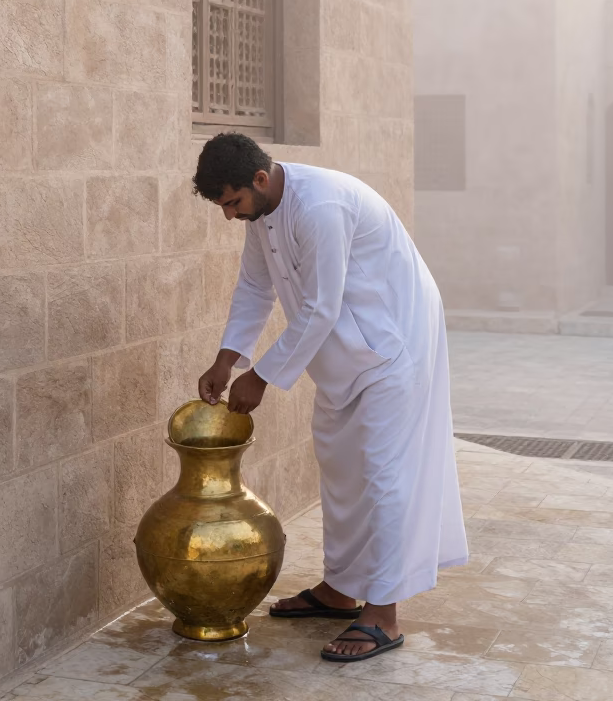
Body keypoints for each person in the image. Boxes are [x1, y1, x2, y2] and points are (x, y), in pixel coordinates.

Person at [194, 133, 468, 663]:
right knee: (339, 464)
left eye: (232, 203)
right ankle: (341, 589)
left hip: (396, 342)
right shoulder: (262, 213)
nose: (230, 216)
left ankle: (383, 614)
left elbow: (321, 306)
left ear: (259, 179)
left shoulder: (320, 204)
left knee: (384, 471)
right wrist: (228, 359)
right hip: (347, 349)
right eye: (223, 207)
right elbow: (255, 287)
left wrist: (262, 377)